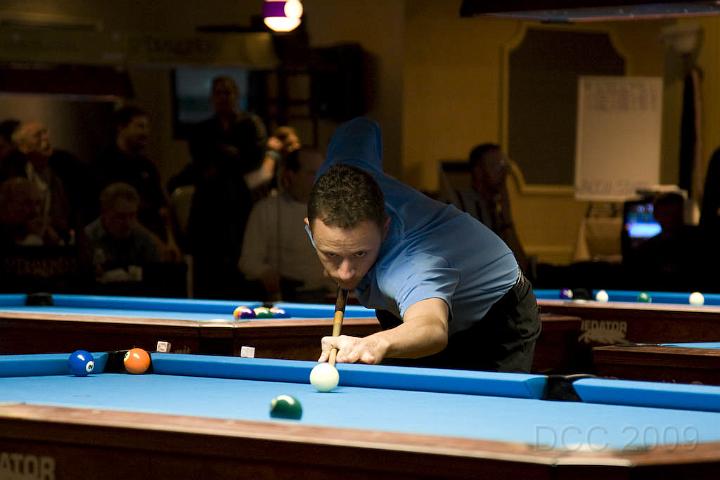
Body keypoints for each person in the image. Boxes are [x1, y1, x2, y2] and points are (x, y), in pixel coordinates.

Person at [306, 118, 540, 372]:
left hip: (493, 316)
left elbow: (431, 328)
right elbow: (362, 127)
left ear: (385, 228)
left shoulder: (411, 263)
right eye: (332, 254)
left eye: (360, 253)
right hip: (412, 308)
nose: (345, 273)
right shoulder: (340, 171)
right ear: (310, 228)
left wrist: (374, 343)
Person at [239, 148, 334, 302]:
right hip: (287, 297)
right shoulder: (266, 209)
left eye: (322, 172)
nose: (320, 178)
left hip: (328, 297)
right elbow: (248, 261)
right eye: (312, 173)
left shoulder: (336, 211)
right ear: (290, 175)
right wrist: (266, 273)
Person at [95, 105, 178, 260]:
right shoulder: (106, 163)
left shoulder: (148, 166)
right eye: (140, 126)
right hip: (128, 244)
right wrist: (155, 244)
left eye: (147, 127)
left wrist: (171, 241)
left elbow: (163, 209)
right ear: (121, 128)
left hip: (158, 239)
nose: (145, 132)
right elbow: (118, 214)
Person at [451, 144, 529, 274]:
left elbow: (521, 267)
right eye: (496, 166)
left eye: (504, 166)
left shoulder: (496, 210)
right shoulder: (459, 204)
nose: (503, 173)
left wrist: (507, 217)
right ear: (478, 172)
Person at [84, 182, 161, 285]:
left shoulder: (143, 239)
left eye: (132, 215)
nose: (128, 224)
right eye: (120, 217)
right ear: (104, 212)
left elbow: (157, 277)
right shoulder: (87, 239)